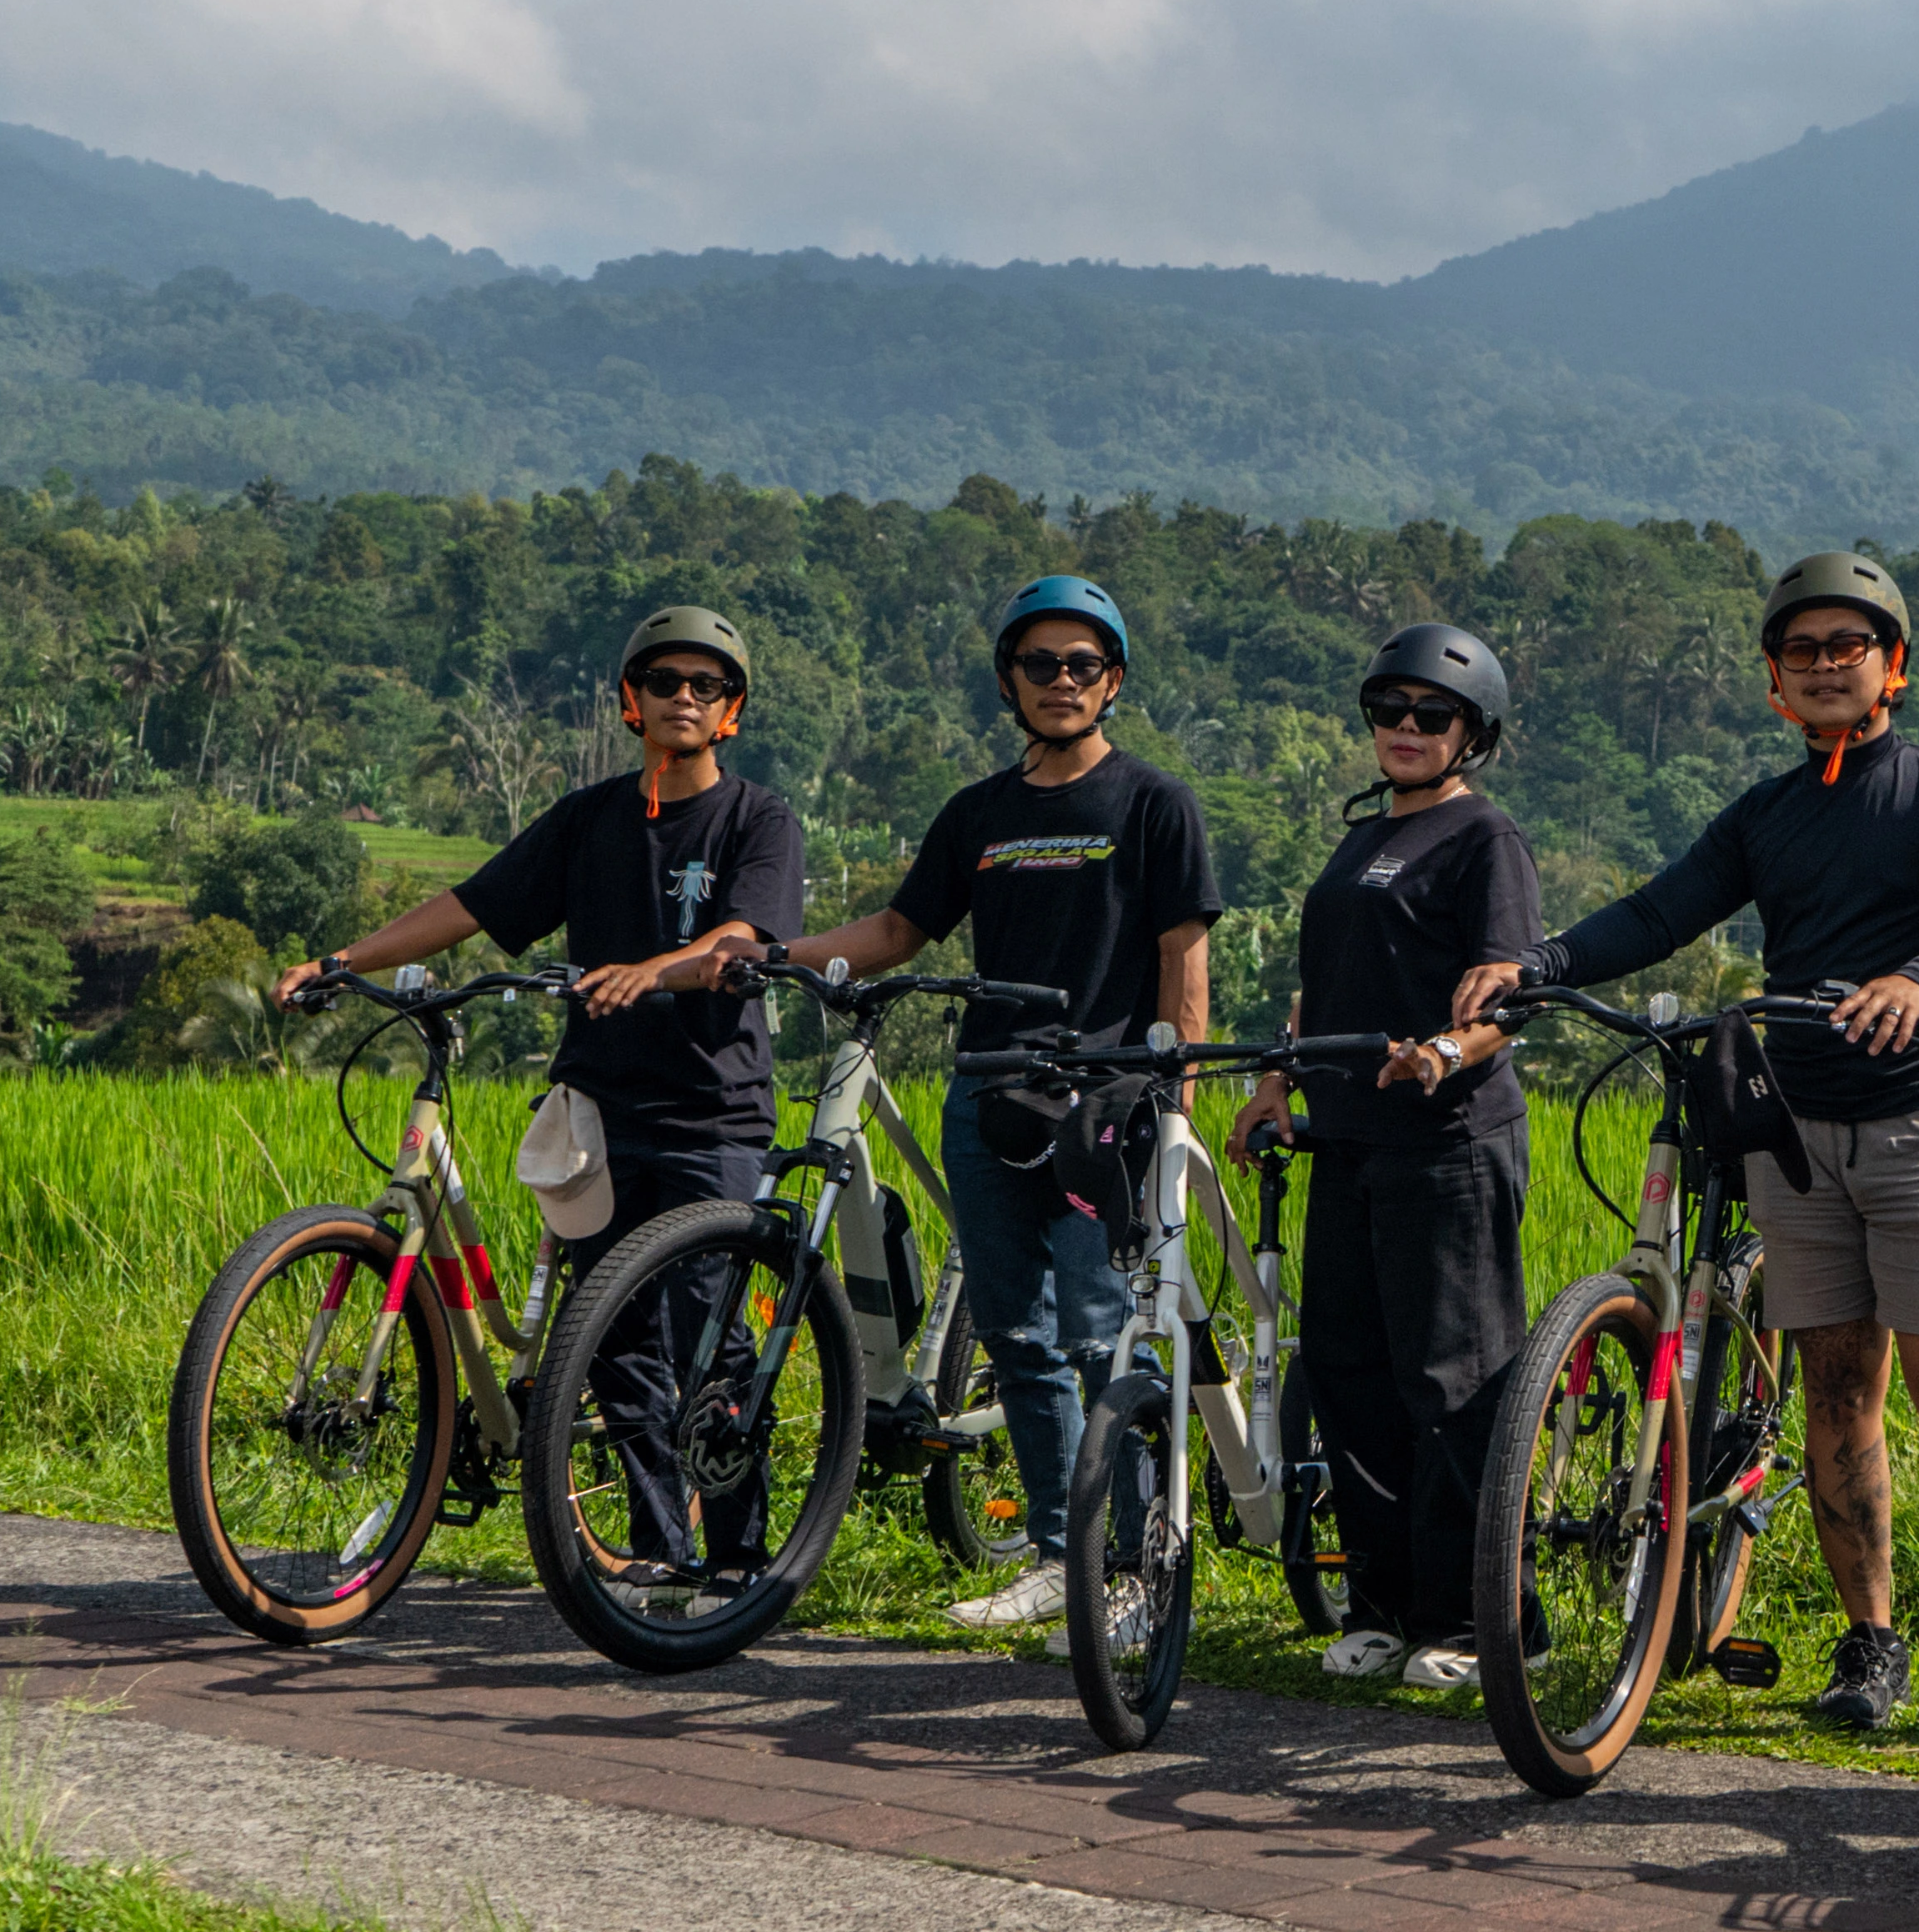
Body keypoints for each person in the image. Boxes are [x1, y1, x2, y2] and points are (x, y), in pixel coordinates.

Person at [1451, 548, 1919, 1747]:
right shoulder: (1766, 816)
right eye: (1801, 651)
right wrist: (1540, 965)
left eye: (1847, 647)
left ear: (1893, 668)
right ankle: (1869, 1645)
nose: (1825, 667)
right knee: (1834, 1386)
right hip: (1797, 1133)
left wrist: (1917, 983)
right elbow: (1664, 910)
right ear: (1775, 681)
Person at [285, 604, 804, 1592]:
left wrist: (654, 970)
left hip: (711, 1113)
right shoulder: (588, 820)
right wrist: (340, 960)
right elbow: (473, 907)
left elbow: (744, 940)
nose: (683, 700)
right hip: (599, 1112)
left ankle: (740, 1557)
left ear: (731, 711)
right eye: (664, 683)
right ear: (630, 701)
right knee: (608, 1339)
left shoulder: (757, 819)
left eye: (705, 687)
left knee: (711, 1335)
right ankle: (661, 1549)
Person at [774, 576, 1220, 1635]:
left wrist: (1179, 1110)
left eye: (1082, 666)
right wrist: (767, 955)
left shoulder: (1154, 802)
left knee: (1104, 1335)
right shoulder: (981, 812)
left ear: (1111, 681)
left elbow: (1183, 966)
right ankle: (1065, 1561)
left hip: (1103, 1107)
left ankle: (1134, 1574)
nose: (1061, 682)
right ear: (1010, 683)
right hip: (986, 1096)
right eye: (1040, 665)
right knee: (1017, 1336)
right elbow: (894, 934)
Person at [1227, 624, 1542, 1691]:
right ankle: (1381, 1604)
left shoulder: (1482, 838)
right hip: (1350, 1137)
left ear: (1473, 736)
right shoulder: (1363, 839)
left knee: (1452, 1380)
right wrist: (1277, 1075)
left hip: (1448, 1141)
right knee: (1351, 1374)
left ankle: (1478, 1617)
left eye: (1432, 717)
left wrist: (1452, 1049)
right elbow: (1330, 980)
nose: (1406, 730)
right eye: (1389, 712)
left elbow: (1510, 987)